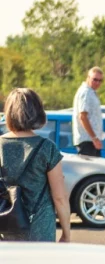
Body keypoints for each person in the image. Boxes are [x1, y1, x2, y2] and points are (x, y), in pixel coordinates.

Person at [0, 89, 69, 242]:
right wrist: (66, 234)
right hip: (39, 227)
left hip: (4, 225)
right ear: (37, 112)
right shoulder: (47, 148)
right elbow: (59, 197)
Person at [72, 67, 105, 157]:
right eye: (95, 79)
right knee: (91, 170)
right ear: (88, 77)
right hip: (87, 142)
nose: (97, 83)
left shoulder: (91, 92)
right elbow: (82, 117)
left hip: (91, 141)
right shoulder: (85, 93)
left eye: (100, 80)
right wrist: (94, 138)